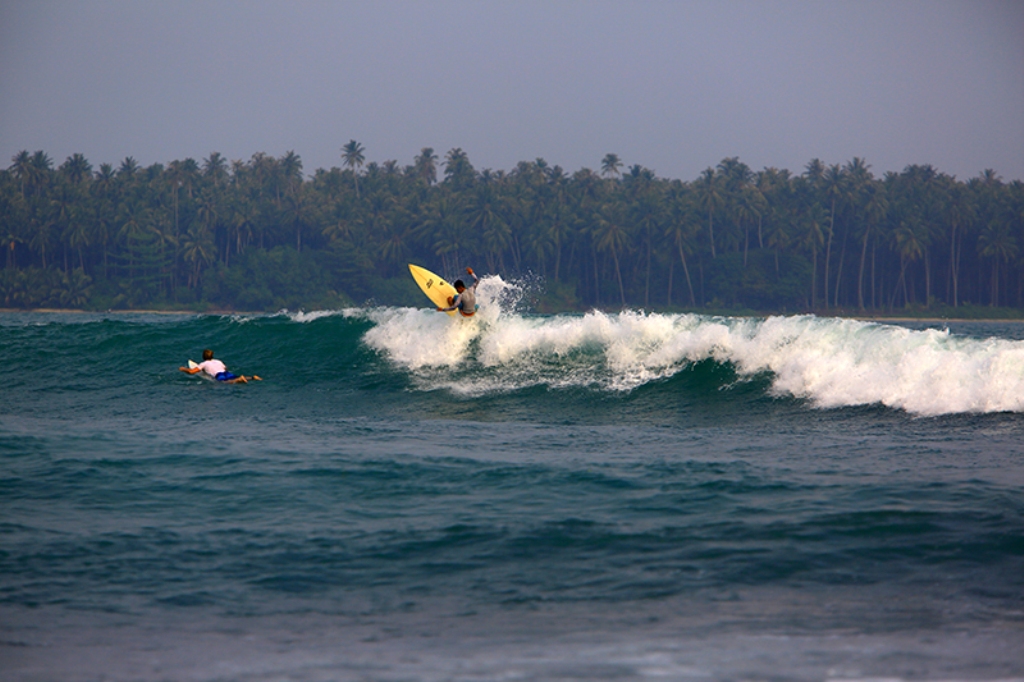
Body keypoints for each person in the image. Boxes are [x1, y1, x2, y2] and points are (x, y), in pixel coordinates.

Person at [179, 349, 260, 383]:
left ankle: (239, 380)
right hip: (226, 372)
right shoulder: (218, 361)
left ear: (203, 357)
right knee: (233, 377)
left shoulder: (204, 364)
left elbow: (192, 371)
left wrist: (183, 369)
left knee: (226, 382)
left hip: (219, 375)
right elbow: (225, 368)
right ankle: (253, 377)